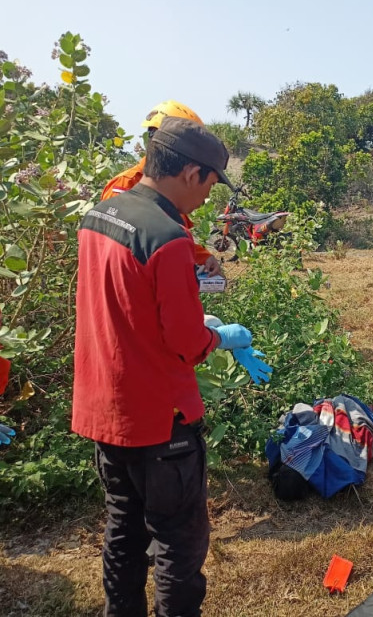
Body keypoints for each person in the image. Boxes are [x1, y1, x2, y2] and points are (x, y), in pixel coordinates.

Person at [72, 117, 262, 617]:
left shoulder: (100, 216)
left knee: (122, 530)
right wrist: (220, 336)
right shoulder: (168, 237)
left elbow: (122, 306)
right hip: (161, 422)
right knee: (177, 546)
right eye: (210, 184)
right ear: (192, 173)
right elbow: (183, 342)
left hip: (105, 410)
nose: (207, 200)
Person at [101, 100, 223, 278]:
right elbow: (117, 251)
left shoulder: (171, 189)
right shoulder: (124, 185)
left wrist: (203, 257)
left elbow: (173, 237)